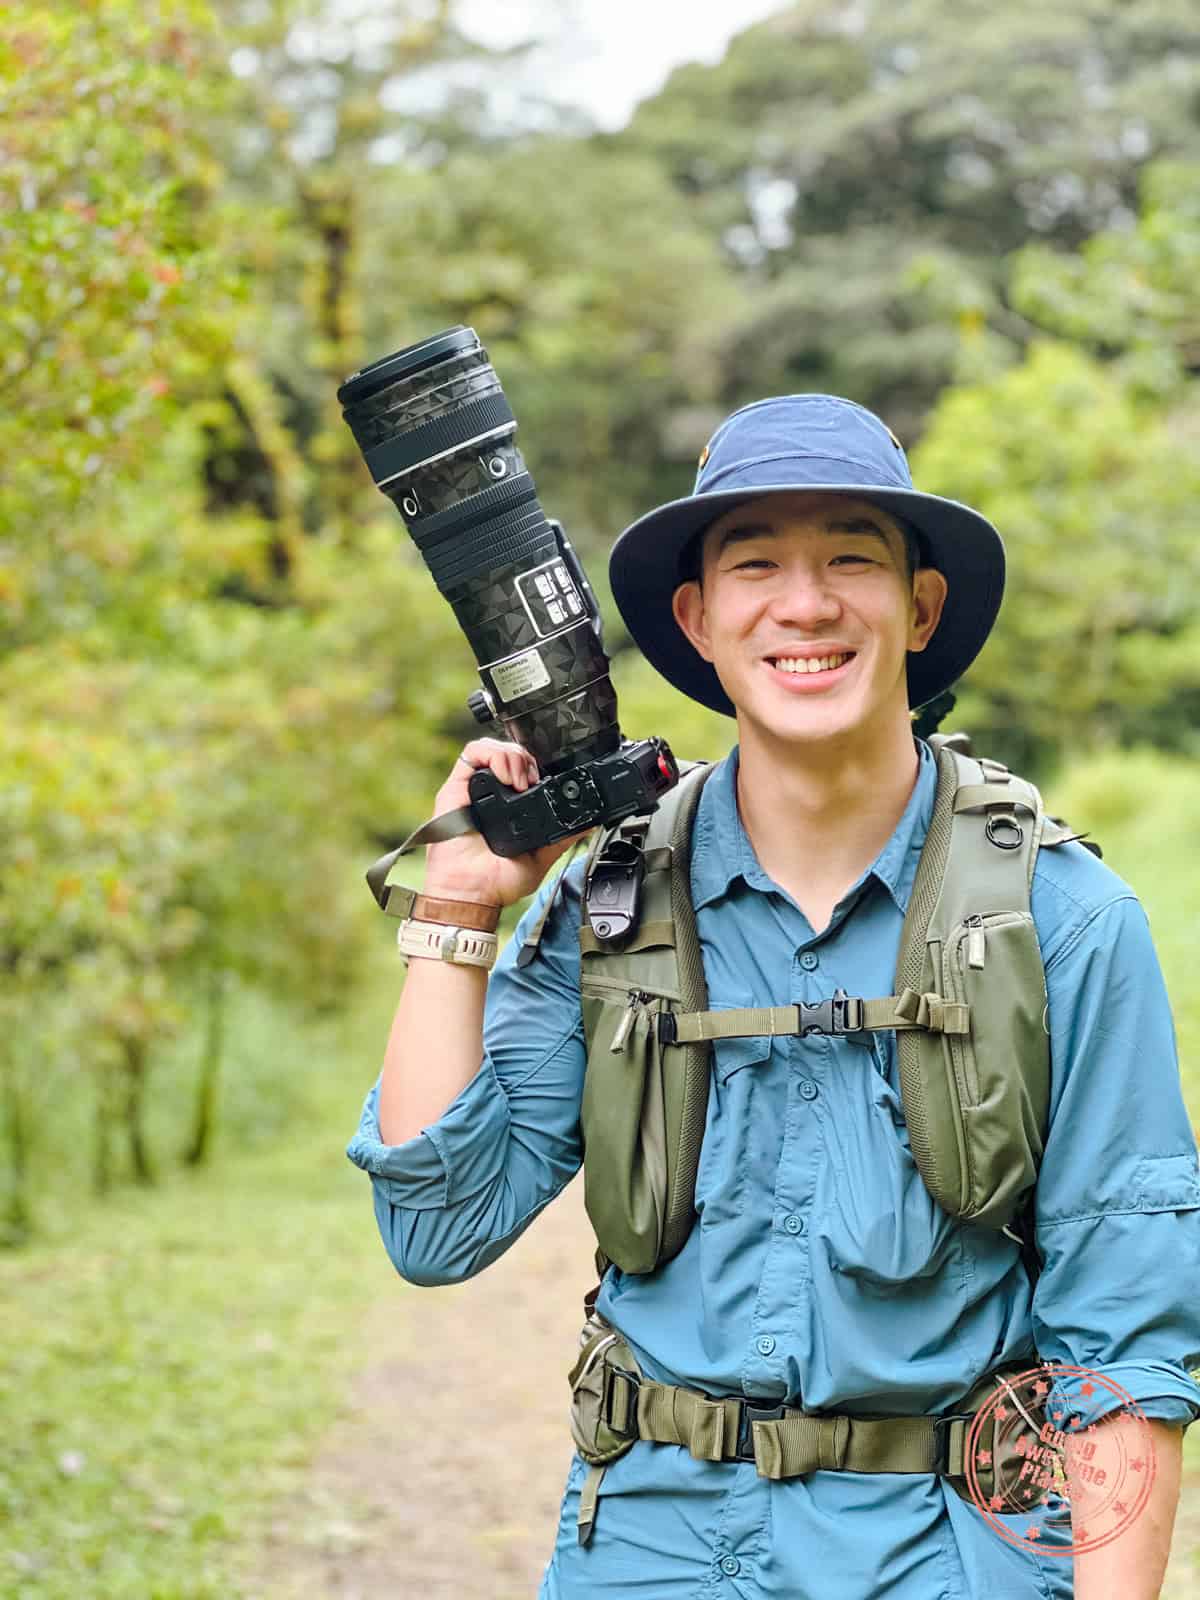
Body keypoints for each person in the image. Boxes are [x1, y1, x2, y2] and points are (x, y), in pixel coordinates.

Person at [347, 394, 1200, 1598]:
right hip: (647, 1545)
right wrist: (460, 908)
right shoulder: (617, 902)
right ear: (699, 619)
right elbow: (436, 1227)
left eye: (851, 555)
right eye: (757, 564)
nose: (805, 604)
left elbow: (1126, 1354)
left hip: (953, 1552)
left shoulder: (1063, 921)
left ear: (921, 604)